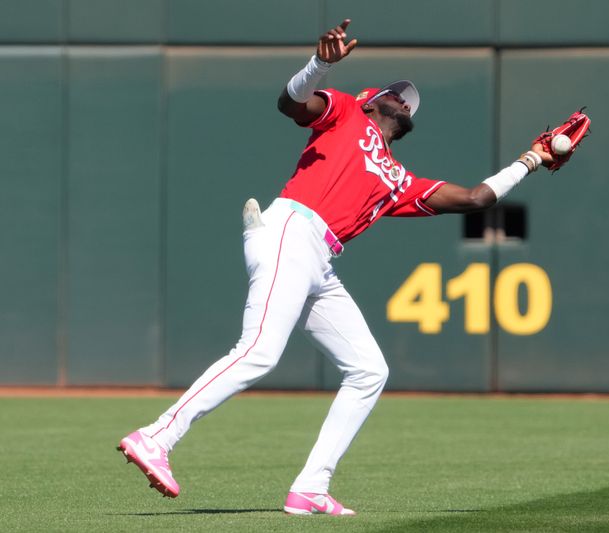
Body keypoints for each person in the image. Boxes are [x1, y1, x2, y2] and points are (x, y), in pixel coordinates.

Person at [118, 19, 554, 516]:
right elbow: (290, 104)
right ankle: (157, 436)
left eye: (408, 103)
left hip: (319, 261)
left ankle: (311, 487)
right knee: (259, 352)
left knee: (369, 370)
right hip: (290, 231)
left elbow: (477, 196)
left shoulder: (399, 180)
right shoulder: (348, 111)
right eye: (395, 96)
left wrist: (531, 159)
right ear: (373, 99)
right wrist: (319, 65)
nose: (403, 102)